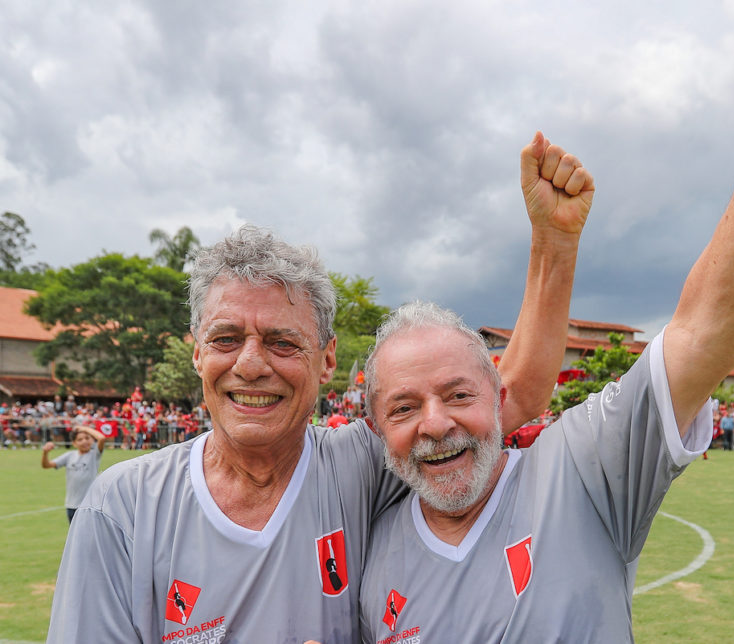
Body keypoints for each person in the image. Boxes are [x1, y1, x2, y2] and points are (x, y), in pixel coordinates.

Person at [357, 2, 734, 640]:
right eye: (404, 408)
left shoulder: (578, 470)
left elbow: (713, 324)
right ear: (374, 427)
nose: (436, 423)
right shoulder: (368, 555)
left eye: (458, 394)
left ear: (498, 392)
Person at [47, 131, 593, 641]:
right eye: (226, 338)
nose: (252, 364)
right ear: (196, 352)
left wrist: (554, 242)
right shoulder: (122, 509)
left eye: (283, 342)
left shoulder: (360, 464)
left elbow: (511, 396)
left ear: (327, 358)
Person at [41, 425, 106, 523]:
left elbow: (101, 438)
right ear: (74, 443)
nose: (84, 441)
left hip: (89, 505)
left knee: (89, 536)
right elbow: (46, 465)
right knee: (75, 537)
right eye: (80, 439)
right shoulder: (69, 456)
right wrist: (45, 453)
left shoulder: (94, 454)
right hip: (71, 505)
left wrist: (84, 429)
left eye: (87, 438)